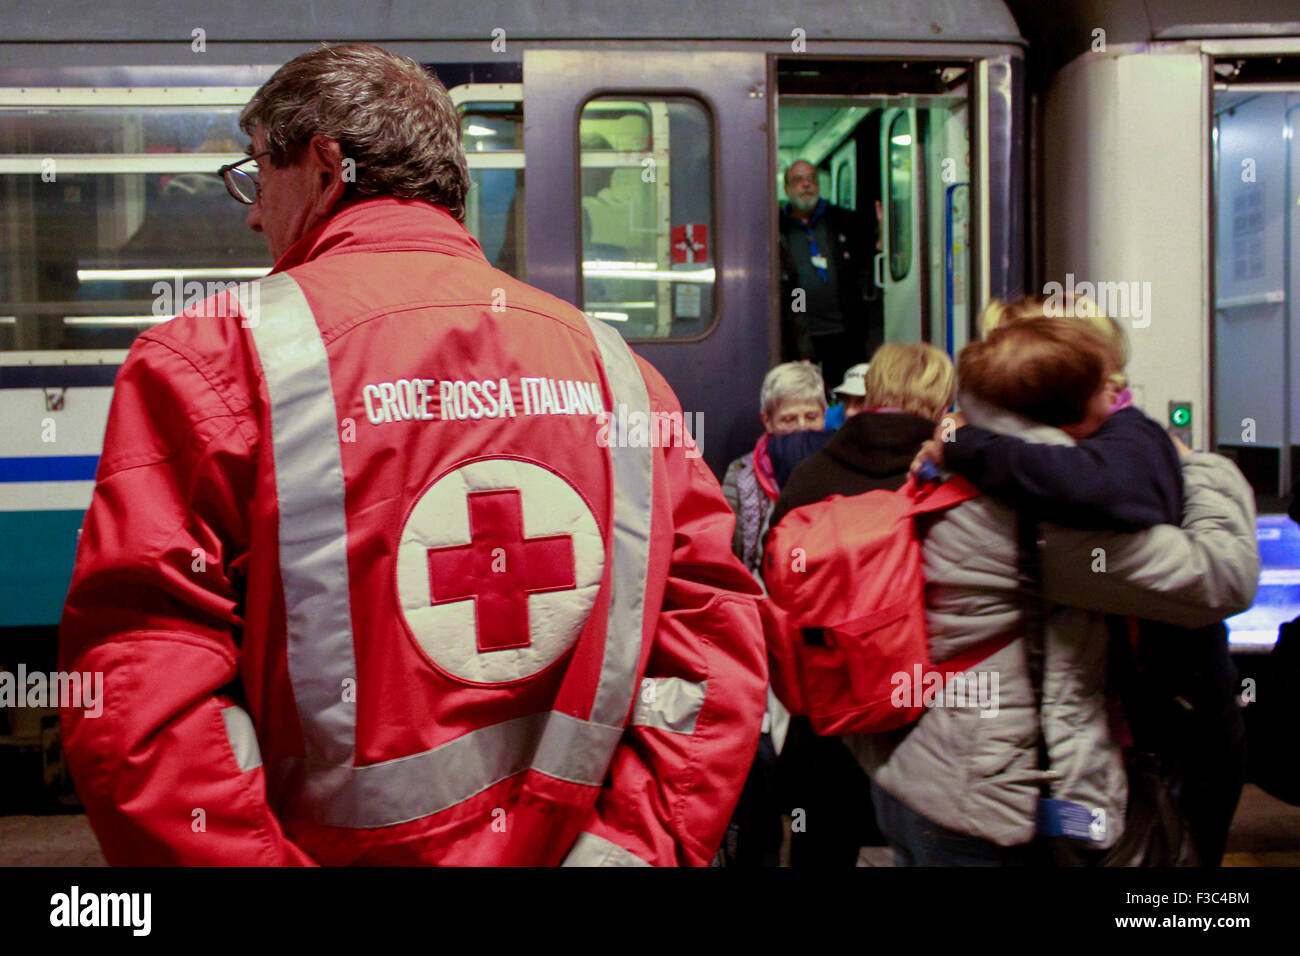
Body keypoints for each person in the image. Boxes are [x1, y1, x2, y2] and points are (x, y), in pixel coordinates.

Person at [57, 43, 768, 867]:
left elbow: (143, 694)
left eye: (256, 176)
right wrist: (626, 853)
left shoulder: (210, 360)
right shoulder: (622, 375)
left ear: (325, 165)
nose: (252, 214)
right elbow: (713, 648)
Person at [855, 318, 1258, 865]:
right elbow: (1221, 576)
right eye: (1105, 390)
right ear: (1064, 415)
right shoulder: (1047, 521)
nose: (1116, 400)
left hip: (923, 771)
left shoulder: (968, 458)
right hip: (987, 804)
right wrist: (1203, 469)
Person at [767, 343, 955, 866]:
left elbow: (776, 585)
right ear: (941, 405)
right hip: (927, 713)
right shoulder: (949, 479)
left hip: (830, 713)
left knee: (821, 850)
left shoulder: (809, 475)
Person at [721, 360, 828, 578]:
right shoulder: (742, 475)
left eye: (811, 417)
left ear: (824, 416)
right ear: (767, 421)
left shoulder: (838, 467)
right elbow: (728, 551)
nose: (801, 427)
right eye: (789, 419)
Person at [778, 160, 878, 389]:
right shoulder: (777, 226)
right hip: (802, 332)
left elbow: (867, 260)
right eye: (797, 180)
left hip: (844, 330)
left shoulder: (843, 220)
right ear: (786, 188)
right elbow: (793, 288)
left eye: (811, 178)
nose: (806, 185)